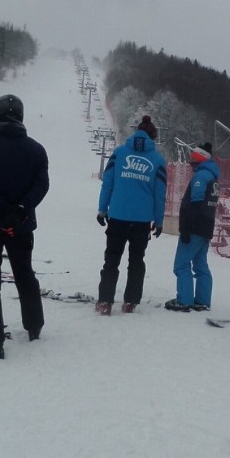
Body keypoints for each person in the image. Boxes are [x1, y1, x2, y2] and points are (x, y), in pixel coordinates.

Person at [0, 94, 49, 359]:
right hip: (21, 225)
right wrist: (20, 210)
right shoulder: (36, 149)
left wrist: (1, 209)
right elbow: (41, 186)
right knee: (24, 273)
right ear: (21, 117)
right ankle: (34, 326)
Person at [95, 115, 167, 315]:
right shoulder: (158, 161)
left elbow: (108, 182)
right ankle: (130, 302)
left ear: (136, 133)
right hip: (142, 220)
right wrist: (159, 221)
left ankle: (105, 302)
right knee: (136, 261)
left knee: (111, 259)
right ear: (153, 136)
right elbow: (160, 194)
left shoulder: (119, 153)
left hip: (118, 215)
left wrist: (102, 209)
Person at [165, 143, 220, 312]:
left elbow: (195, 203)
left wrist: (187, 227)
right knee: (200, 264)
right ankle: (202, 300)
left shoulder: (200, 177)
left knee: (181, 264)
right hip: (206, 226)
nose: (190, 161)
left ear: (198, 158)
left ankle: (185, 300)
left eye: (192, 157)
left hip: (195, 227)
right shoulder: (213, 177)